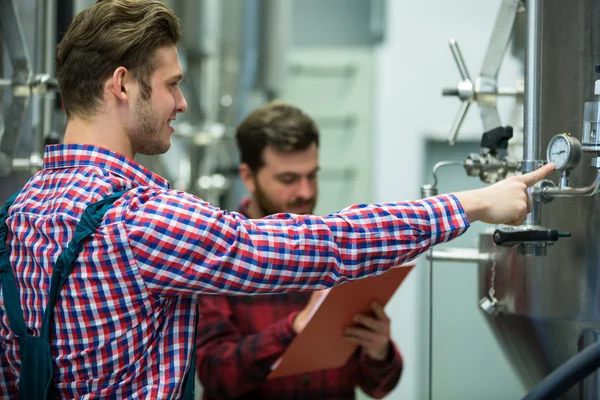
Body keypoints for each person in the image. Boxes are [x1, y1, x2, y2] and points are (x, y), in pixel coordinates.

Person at [0, 0, 553, 398]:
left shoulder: (19, 215)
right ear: (121, 85)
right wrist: (473, 204)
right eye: (172, 84)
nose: (183, 103)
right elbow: (327, 245)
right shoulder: (136, 221)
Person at [195, 101, 404, 399]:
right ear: (248, 177)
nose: (306, 192)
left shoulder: (339, 248)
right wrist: (294, 329)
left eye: (312, 175)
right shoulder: (216, 254)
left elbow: (380, 386)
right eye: (289, 179)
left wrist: (378, 349)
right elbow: (216, 376)